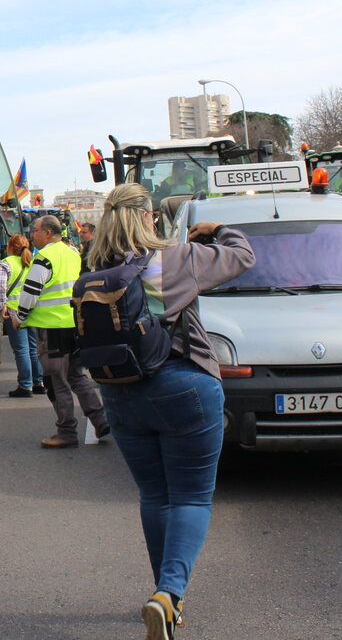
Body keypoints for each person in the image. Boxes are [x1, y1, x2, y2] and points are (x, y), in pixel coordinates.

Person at [84, 183, 255, 639]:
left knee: (155, 497)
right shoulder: (178, 257)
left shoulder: (96, 266)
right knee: (192, 497)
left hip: (121, 392)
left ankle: (166, 598)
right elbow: (242, 256)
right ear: (147, 218)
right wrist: (217, 228)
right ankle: (169, 593)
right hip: (184, 386)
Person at [13, 214, 106, 448]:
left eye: (34, 231)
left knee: (56, 381)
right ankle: (100, 418)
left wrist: (19, 318)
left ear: (47, 233)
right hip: (74, 324)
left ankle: (66, 432)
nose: (31, 235)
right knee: (76, 375)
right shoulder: (73, 253)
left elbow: (30, 293)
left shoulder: (44, 258)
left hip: (51, 328)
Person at [0, 234, 43, 397]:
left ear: (10, 247)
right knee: (34, 349)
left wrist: (2, 306)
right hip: (33, 311)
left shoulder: (5, 264)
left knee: (21, 350)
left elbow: (0, 287)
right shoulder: (32, 264)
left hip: (15, 312)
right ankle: (39, 382)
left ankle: (25, 385)